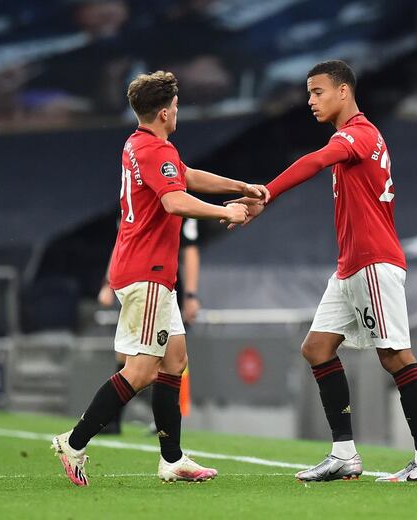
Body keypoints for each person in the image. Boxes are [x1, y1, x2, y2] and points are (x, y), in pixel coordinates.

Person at [228, 60, 417, 482]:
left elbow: (314, 161)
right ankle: (344, 454)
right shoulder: (355, 136)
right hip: (350, 267)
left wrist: (265, 192)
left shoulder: (359, 134)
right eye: (309, 93)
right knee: (317, 348)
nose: (310, 100)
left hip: (374, 263)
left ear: (344, 91)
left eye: (318, 91)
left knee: (395, 355)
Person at [51, 70, 268, 487]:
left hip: (146, 269)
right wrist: (226, 211)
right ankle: (74, 442)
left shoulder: (139, 145)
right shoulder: (155, 151)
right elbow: (173, 200)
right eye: (177, 106)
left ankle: (172, 459)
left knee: (175, 360)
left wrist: (239, 186)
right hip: (147, 271)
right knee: (142, 370)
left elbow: (185, 176)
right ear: (166, 112)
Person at [97, 218, 202, 434]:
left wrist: (191, 294)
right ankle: (100, 425)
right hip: (138, 281)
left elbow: (190, 248)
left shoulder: (177, 198)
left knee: (171, 356)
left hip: (163, 282)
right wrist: (108, 283)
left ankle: (165, 423)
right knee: (130, 357)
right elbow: (122, 242)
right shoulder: (140, 194)